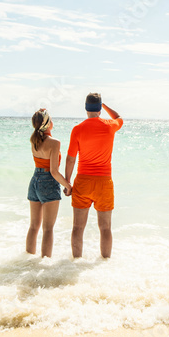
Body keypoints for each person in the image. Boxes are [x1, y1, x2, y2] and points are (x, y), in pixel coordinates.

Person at [65, 93, 123, 259]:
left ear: (85, 108)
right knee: (105, 228)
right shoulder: (110, 125)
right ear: (99, 108)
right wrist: (103, 106)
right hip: (104, 182)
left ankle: (75, 263)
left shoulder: (77, 129)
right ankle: (105, 264)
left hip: (83, 181)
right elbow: (119, 117)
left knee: (77, 227)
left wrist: (67, 183)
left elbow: (70, 159)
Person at [26, 109, 72, 258]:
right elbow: (53, 171)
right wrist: (68, 185)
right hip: (48, 183)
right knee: (48, 228)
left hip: (34, 181)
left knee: (34, 226)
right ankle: (45, 266)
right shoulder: (54, 142)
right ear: (47, 124)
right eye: (51, 119)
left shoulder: (33, 140)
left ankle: (28, 260)